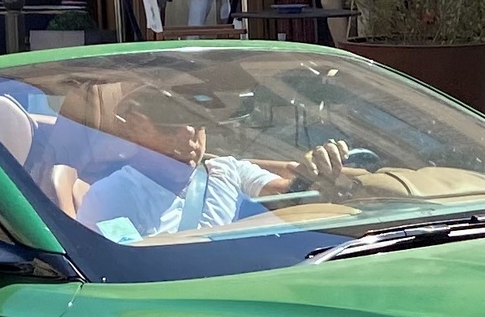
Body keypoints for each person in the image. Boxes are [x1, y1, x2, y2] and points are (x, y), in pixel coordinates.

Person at [72, 87, 360, 243]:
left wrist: (312, 175)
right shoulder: (111, 195)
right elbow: (124, 270)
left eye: (198, 126)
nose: (189, 142)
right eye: (169, 127)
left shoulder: (227, 170)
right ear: (133, 129)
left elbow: (284, 195)